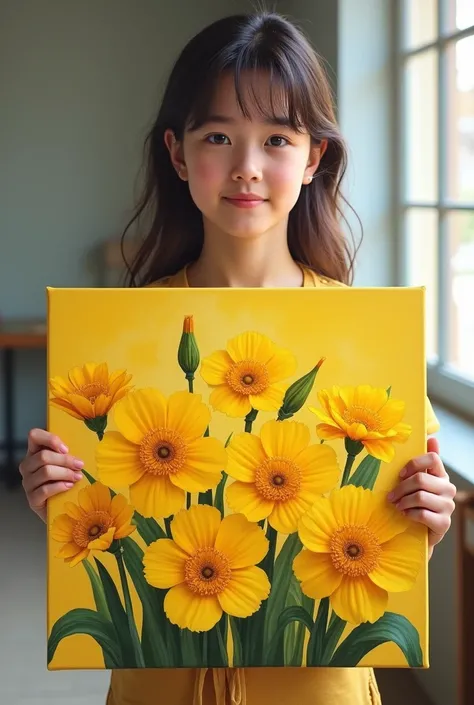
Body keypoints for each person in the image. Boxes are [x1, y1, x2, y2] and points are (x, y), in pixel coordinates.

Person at [18, 11, 457, 705]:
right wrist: (62, 502)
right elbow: (107, 522)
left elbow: (388, 532)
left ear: (313, 158)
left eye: (277, 138)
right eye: (218, 136)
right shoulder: (123, 335)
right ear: (178, 152)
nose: (247, 168)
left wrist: (425, 518)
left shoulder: (368, 332)